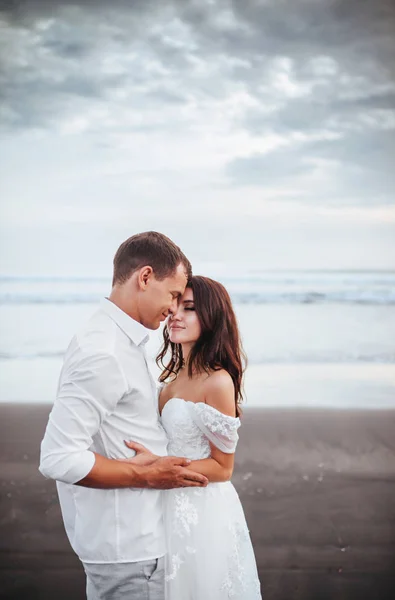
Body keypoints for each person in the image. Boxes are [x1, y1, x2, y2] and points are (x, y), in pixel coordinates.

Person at [39, 231, 208, 600]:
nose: (176, 309)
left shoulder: (119, 341)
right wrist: (146, 475)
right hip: (130, 549)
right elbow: (58, 457)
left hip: (135, 542)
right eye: (174, 294)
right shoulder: (105, 352)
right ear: (145, 277)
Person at [126, 276, 262, 599]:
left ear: (212, 318)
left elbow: (223, 467)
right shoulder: (171, 378)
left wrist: (159, 467)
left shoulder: (216, 382)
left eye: (189, 309)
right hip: (166, 505)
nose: (175, 315)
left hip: (202, 510)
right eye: (175, 306)